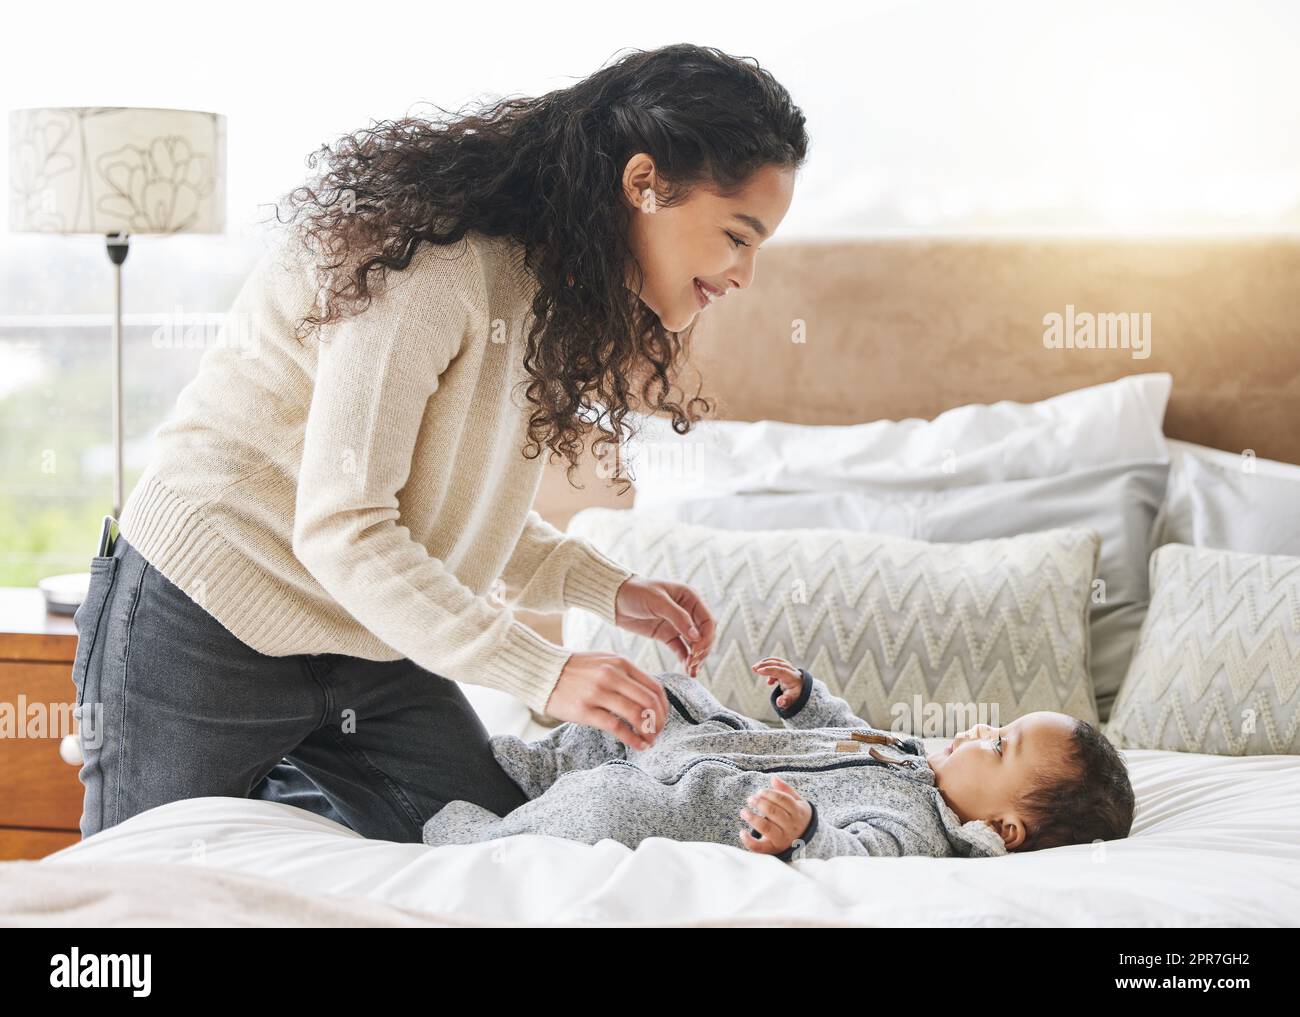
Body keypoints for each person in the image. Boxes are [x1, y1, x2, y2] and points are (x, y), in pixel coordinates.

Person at [69, 43, 808, 843]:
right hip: (206, 615)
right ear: (644, 184)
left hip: (370, 638)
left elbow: (446, 507)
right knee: (140, 891)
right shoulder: (433, 266)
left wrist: (603, 587)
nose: (745, 275)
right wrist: (544, 670)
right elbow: (344, 525)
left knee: (497, 846)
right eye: (739, 235)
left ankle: (282, 811)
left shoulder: (553, 290)